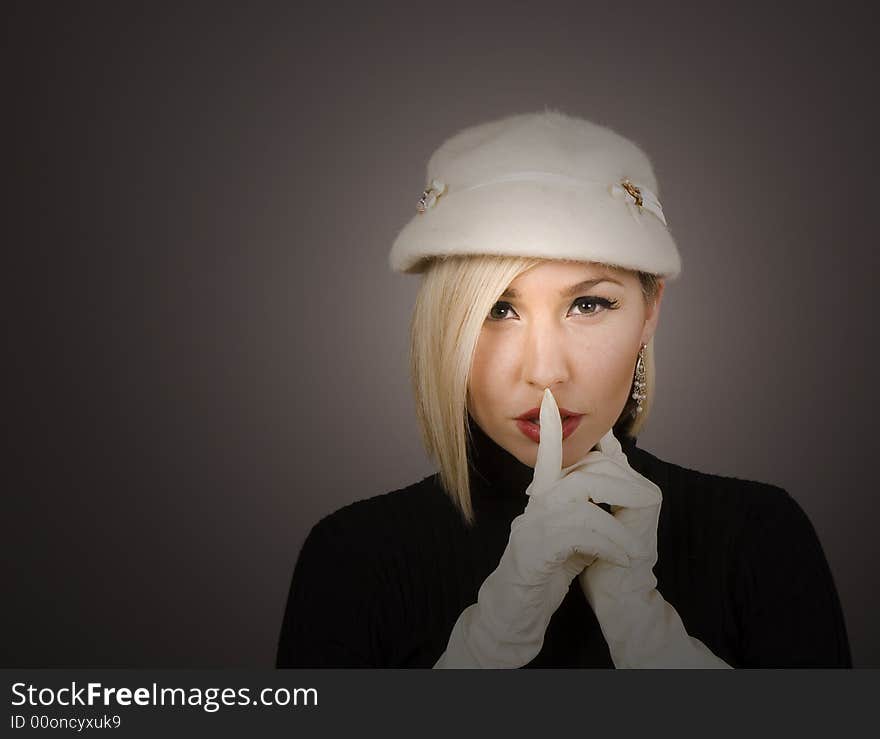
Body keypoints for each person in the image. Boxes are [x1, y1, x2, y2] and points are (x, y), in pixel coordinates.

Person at [275, 110, 852, 668]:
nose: (546, 371)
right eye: (499, 308)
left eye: (588, 304)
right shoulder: (352, 557)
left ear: (650, 311)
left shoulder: (760, 536)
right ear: (441, 325)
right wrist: (489, 645)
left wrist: (647, 634)